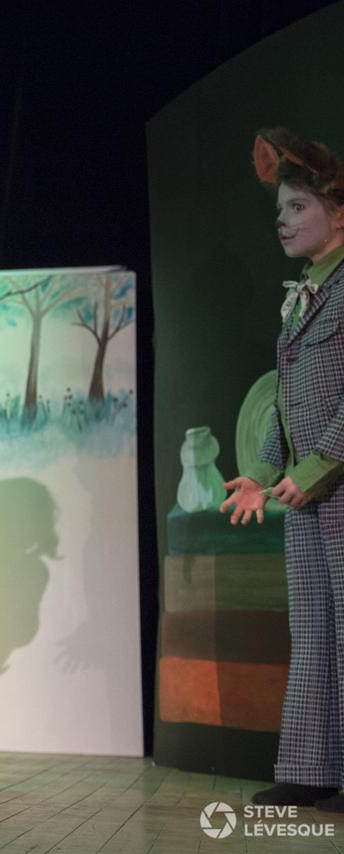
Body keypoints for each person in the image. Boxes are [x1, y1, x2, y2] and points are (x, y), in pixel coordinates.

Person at [221, 129, 344, 810]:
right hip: (304, 497)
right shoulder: (303, 297)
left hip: (335, 486)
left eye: (298, 207)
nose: (283, 221)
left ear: (339, 212)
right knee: (315, 630)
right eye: (280, 211)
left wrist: (320, 465)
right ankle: (310, 768)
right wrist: (263, 474)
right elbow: (285, 400)